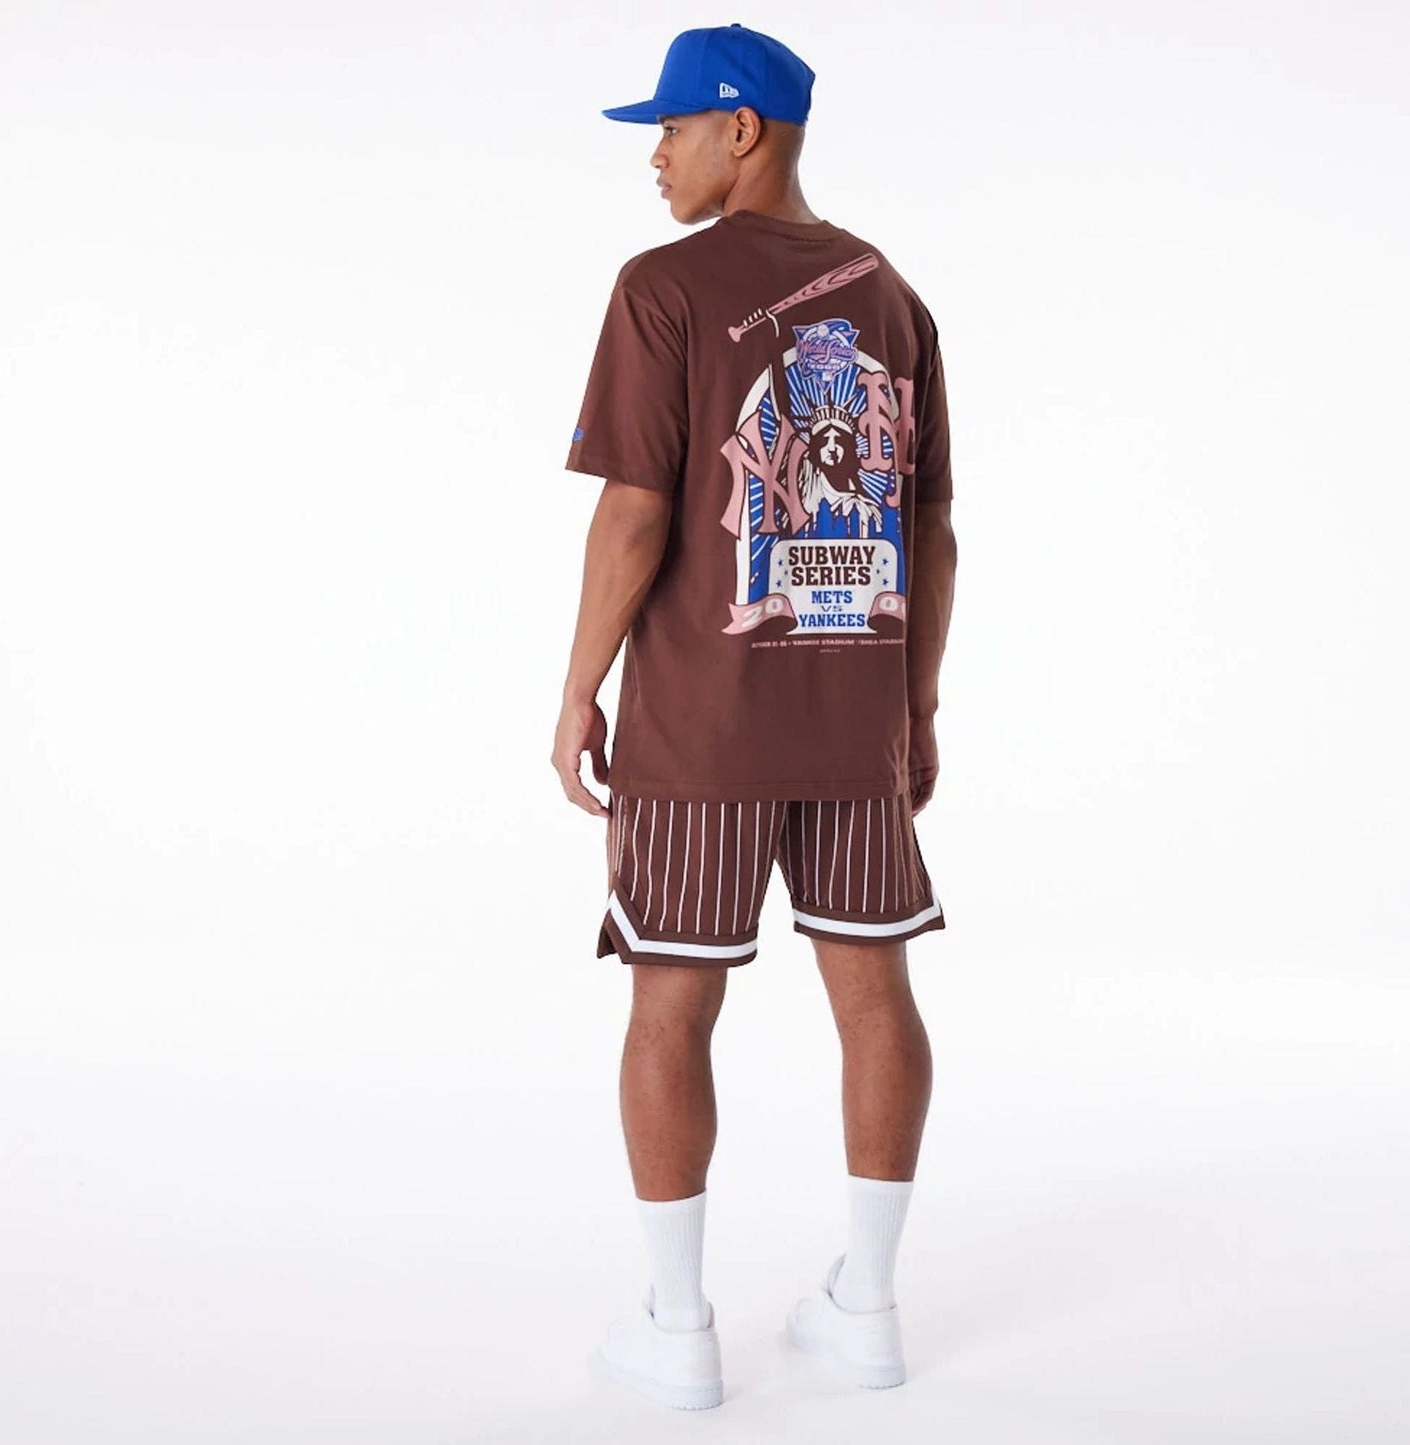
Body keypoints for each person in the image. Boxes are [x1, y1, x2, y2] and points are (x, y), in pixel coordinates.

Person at [553, 23, 957, 1410]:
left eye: (669, 128)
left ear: (740, 129)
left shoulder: (662, 288)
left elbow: (635, 511)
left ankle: (677, 1330)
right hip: (854, 718)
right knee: (875, 991)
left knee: (673, 999)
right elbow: (930, 531)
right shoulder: (892, 297)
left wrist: (578, 690)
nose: (654, 157)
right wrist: (915, 704)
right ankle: (869, 1306)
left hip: (702, 726)